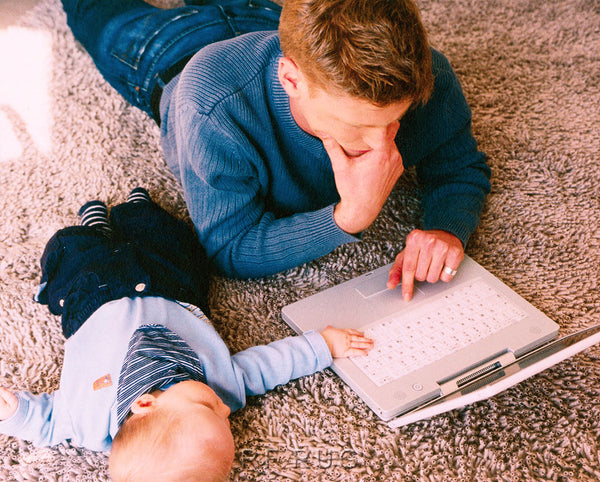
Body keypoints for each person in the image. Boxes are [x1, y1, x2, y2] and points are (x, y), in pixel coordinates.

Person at [61, 0, 491, 301]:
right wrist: (347, 218)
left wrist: (446, 228)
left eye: (395, 119)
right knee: (93, 9)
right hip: (171, 49)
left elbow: (459, 166)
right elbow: (227, 246)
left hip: (262, 18)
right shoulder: (210, 109)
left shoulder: (425, 75)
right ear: (291, 80)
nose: (384, 146)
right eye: (358, 124)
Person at [0, 188, 373, 481]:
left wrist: (15, 414)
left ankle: (95, 223)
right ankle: (138, 207)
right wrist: (321, 345)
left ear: (145, 405)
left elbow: (47, 423)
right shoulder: (220, 387)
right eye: (225, 416)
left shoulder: (86, 422)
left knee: (72, 252)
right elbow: (268, 366)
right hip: (171, 289)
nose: (226, 406)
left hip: (93, 297)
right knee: (175, 243)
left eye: (210, 408)